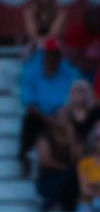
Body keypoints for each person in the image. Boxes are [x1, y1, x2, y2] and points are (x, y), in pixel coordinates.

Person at [19, 39, 82, 168]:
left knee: (79, 118)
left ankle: (78, 158)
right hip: (41, 116)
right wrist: (48, 118)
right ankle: (25, 156)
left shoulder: (69, 71)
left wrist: (65, 109)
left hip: (64, 114)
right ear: (45, 54)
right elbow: (29, 103)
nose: (53, 57)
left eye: (56, 54)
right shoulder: (31, 71)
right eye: (50, 53)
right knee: (30, 120)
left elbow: (77, 92)